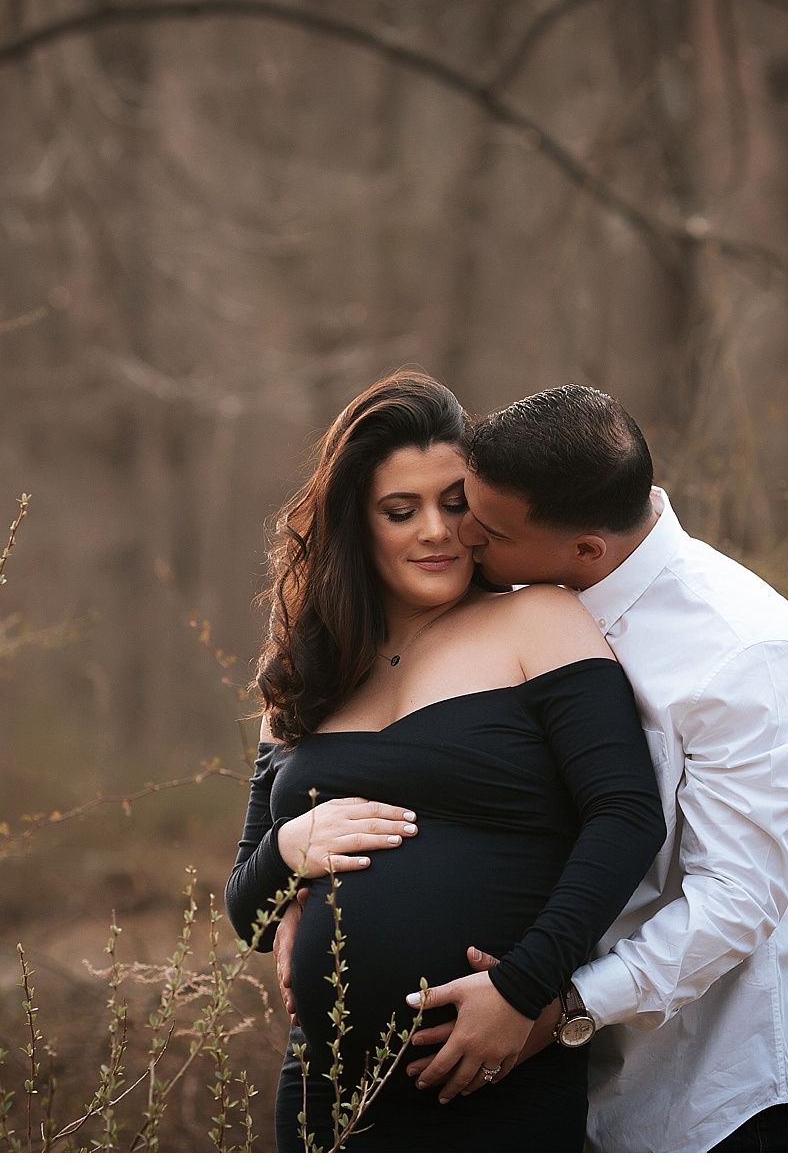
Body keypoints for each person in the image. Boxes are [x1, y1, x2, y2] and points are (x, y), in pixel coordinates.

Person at [391, 384, 788, 1152]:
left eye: (488, 527)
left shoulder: (745, 650)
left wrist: (556, 1003)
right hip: (544, 1094)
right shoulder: (524, 603)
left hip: (704, 1097)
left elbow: (736, 900)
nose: (462, 535)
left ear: (587, 551)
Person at [225, 371, 664, 1151]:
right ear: (357, 526)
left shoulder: (540, 619)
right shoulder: (305, 671)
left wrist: (524, 988)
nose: (437, 530)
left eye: (455, 503)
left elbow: (626, 813)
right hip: (325, 1091)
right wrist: (289, 852)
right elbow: (247, 916)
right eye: (402, 511)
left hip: (495, 1074)